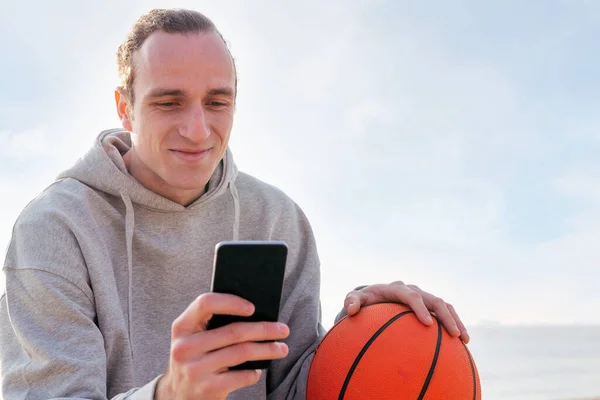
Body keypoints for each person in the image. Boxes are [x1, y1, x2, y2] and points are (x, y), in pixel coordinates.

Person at [0, 8, 469, 400]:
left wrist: (368, 328)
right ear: (125, 107)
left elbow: (294, 388)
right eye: (169, 102)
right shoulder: (55, 228)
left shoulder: (277, 219)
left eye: (217, 102)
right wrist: (169, 393)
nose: (199, 130)